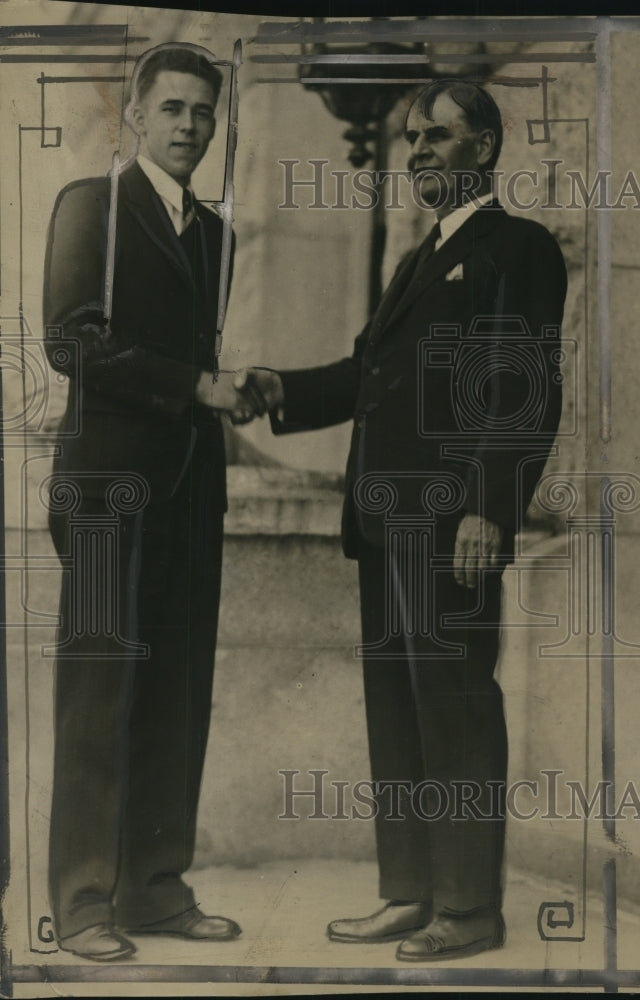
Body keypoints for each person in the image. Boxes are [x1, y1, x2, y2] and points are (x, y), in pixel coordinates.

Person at [242, 79, 567, 962]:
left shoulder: (517, 249)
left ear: (486, 148)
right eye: (413, 137)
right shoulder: (419, 258)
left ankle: (468, 910)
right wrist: (282, 390)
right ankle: (411, 892)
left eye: (438, 135)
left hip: (452, 525)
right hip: (387, 526)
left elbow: (525, 392)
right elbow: (365, 372)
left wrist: (489, 508)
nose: (419, 150)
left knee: (457, 709)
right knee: (399, 711)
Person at [43, 44, 255, 962]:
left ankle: (156, 894)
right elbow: (69, 341)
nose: (187, 127)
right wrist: (198, 387)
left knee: (176, 693)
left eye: (203, 114)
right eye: (171, 109)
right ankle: (85, 900)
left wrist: (229, 401)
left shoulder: (218, 236)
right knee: (98, 695)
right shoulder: (90, 206)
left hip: (187, 495)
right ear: (135, 117)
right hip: (102, 494)